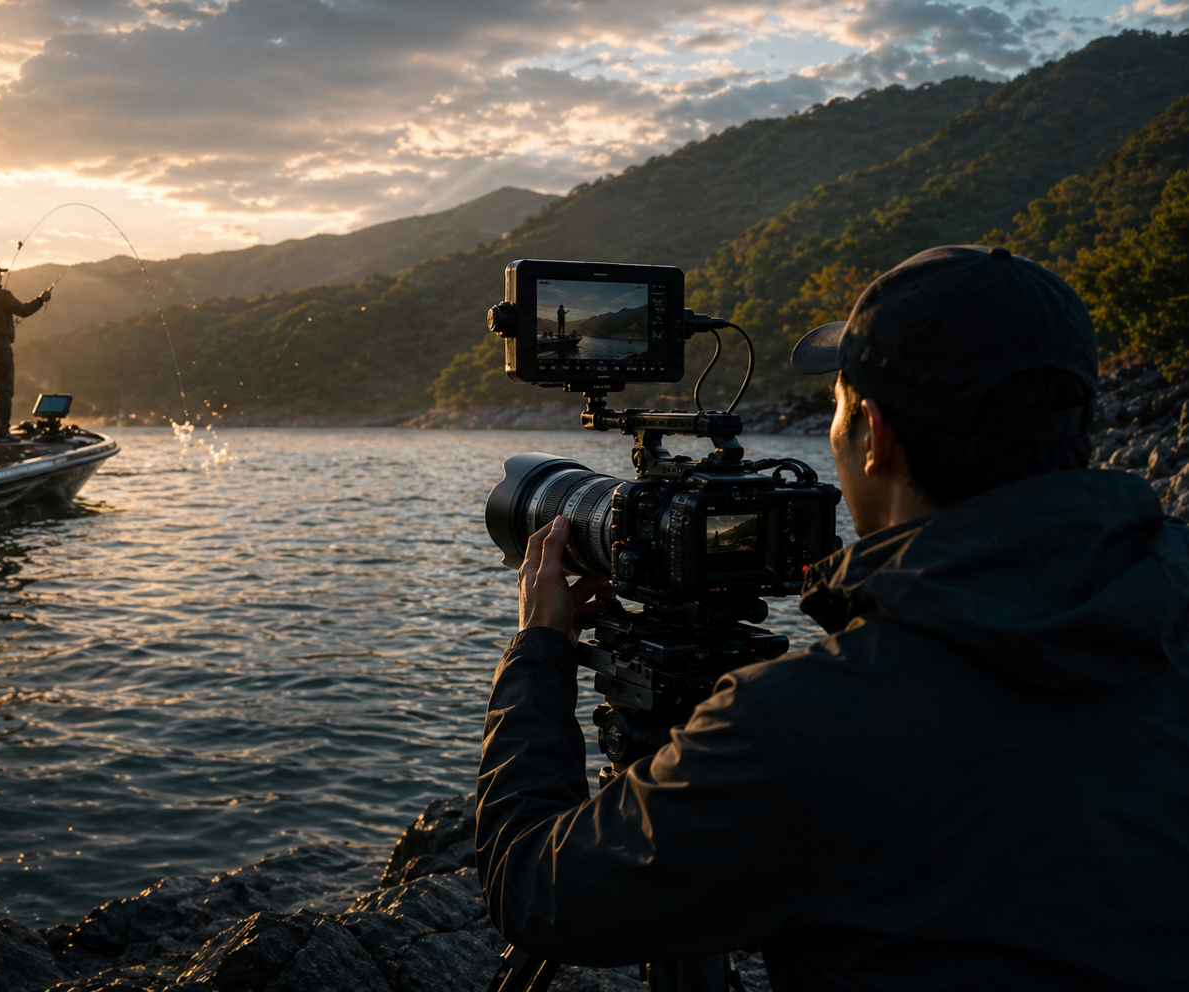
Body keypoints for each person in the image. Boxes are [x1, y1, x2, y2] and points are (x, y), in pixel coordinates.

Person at [476, 245, 1189, 989]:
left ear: (873, 434)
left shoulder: (807, 723)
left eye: (838, 406)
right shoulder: (1170, 606)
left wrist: (539, 649)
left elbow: (533, 888)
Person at [0, 260, 51, 442]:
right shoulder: (2, 295)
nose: (1, 276)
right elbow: (23, 310)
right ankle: (2, 432)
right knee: (4, 391)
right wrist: (41, 300)